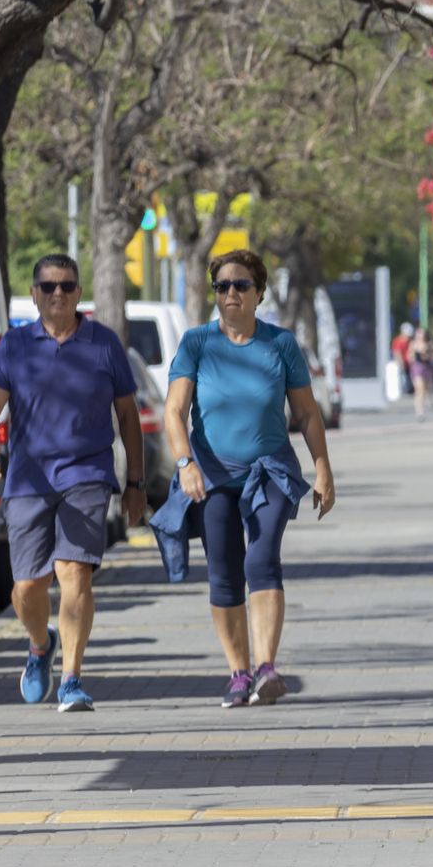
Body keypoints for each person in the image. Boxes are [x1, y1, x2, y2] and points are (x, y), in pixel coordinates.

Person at [160, 249, 336, 708]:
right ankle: (238, 672)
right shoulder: (197, 343)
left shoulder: (280, 345)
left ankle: (267, 668)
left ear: (259, 293)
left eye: (240, 285)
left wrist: (322, 467)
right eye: (222, 286)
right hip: (212, 475)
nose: (231, 293)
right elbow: (175, 412)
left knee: (261, 560)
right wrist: (185, 464)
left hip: (269, 470)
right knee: (223, 571)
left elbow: (306, 412)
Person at [0, 254, 144, 712]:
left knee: (73, 571)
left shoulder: (103, 344)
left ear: (78, 292)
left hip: (86, 473)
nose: (58, 294)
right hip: (27, 476)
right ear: (34, 294)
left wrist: (135, 481)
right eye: (48, 287)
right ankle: (38, 644)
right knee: (27, 587)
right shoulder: (14, 346)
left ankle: (72, 678)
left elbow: (128, 415)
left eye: (67, 286)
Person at [408, 326, 433, 420]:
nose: (420, 335)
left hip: (426, 368)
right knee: (419, 389)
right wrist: (416, 355)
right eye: (418, 333)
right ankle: (419, 410)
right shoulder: (413, 344)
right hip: (417, 368)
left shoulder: (429, 344)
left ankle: (425, 404)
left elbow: (432, 356)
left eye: (421, 333)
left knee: (425, 389)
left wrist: (426, 354)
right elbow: (410, 357)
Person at [391, 321, 414, 396]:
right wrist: (401, 364)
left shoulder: (410, 341)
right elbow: (397, 354)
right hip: (402, 364)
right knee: (402, 380)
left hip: (410, 364)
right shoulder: (397, 341)